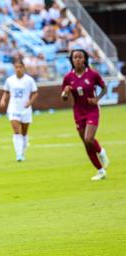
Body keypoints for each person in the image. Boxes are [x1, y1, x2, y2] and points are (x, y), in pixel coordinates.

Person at [61, 49, 110, 180]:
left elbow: (104, 88)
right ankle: (100, 171)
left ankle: (100, 151)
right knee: (86, 142)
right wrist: (65, 92)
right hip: (78, 111)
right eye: (74, 57)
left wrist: (97, 99)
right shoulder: (68, 77)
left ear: (84, 59)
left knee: (89, 139)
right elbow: (64, 98)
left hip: (92, 110)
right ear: (71, 60)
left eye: (79, 57)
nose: (77, 59)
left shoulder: (93, 74)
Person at [0, 58, 38, 162]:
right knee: (17, 131)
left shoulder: (29, 80)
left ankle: (23, 150)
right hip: (13, 108)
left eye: (20, 67)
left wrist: (30, 102)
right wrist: (3, 100)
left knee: (24, 133)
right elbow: (6, 91)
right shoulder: (10, 80)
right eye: (16, 67)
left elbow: (35, 93)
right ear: (14, 68)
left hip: (25, 109)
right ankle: (19, 154)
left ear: (23, 68)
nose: (18, 69)